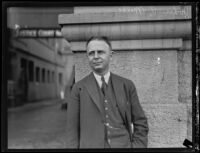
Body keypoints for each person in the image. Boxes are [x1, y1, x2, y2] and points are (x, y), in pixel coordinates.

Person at [66, 36, 149, 148]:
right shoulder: (78, 88)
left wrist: (137, 147)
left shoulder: (127, 85)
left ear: (110, 55)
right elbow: (71, 131)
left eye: (100, 52)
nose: (95, 57)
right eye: (91, 53)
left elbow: (141, 123)